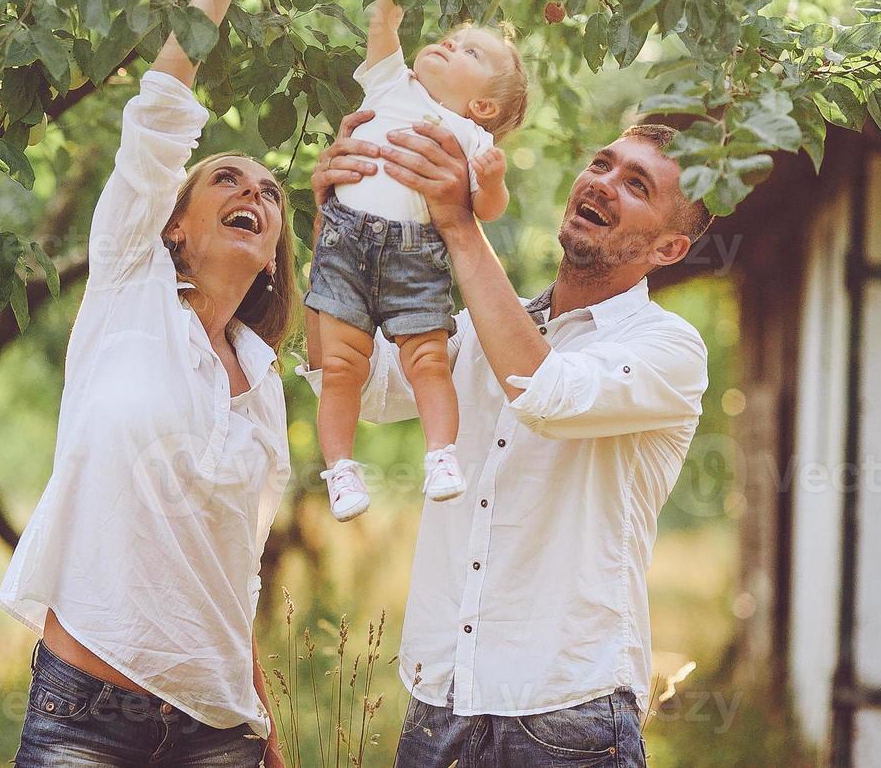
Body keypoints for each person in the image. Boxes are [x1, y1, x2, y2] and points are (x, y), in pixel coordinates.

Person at [0, 0, 330, 768]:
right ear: (174, 225)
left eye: (269, 198)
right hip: (83, 717)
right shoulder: (127, 292)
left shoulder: (263, 383)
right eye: (228, 178)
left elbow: (233, 572)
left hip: (218, 728)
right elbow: (165, 100)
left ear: (270, 259)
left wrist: (261, 723)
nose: (256, 196)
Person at [301, 115, 712, 767]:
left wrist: (460, 225)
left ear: (668, 249)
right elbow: (355, 380)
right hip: (440, 701)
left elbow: (542, 390)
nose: (603, 183)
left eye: (637, 184)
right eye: (601, 164)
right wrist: (336, 227)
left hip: (570, 714)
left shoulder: (669, 348)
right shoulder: (480, 326)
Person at [307, 0, 527, 522]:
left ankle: (441, 454)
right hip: (344, 241)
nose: (451, 46)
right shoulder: (389, 82)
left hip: (414, 253)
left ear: (481, 106)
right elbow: (383, 20)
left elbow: (485, 210)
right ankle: (341, 472)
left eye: (471, 54)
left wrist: (496, 179)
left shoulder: (470, 137)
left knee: (428, 358)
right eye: (453, 39)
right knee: (340, 365)